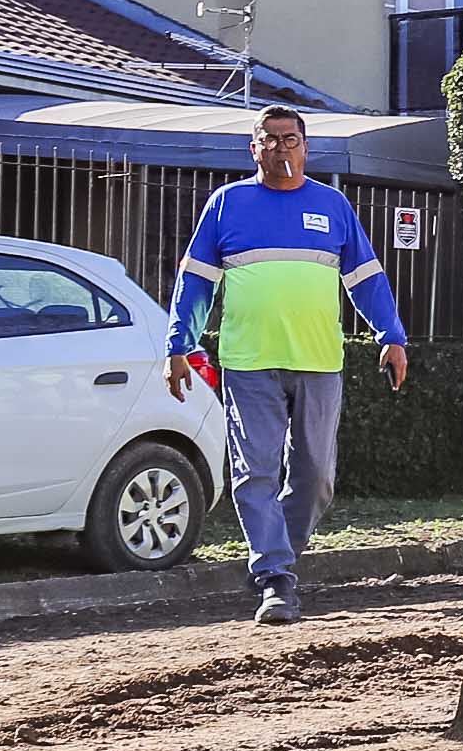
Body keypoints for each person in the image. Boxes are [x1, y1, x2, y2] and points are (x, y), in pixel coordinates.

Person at [167, 106, 411, 624]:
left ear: (306, 147)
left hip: (319, 362)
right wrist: (178, 347)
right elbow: (196, 284)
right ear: (253, 149)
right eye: (270, 140)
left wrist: (391, 335)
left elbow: (366, 278)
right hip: (249, 364)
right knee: (255, 470)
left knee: (317, 475)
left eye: (291, 139)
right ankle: (276, 577)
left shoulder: (333, 205)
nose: (281, 148)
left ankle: (282, 556)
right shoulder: (226, 205)